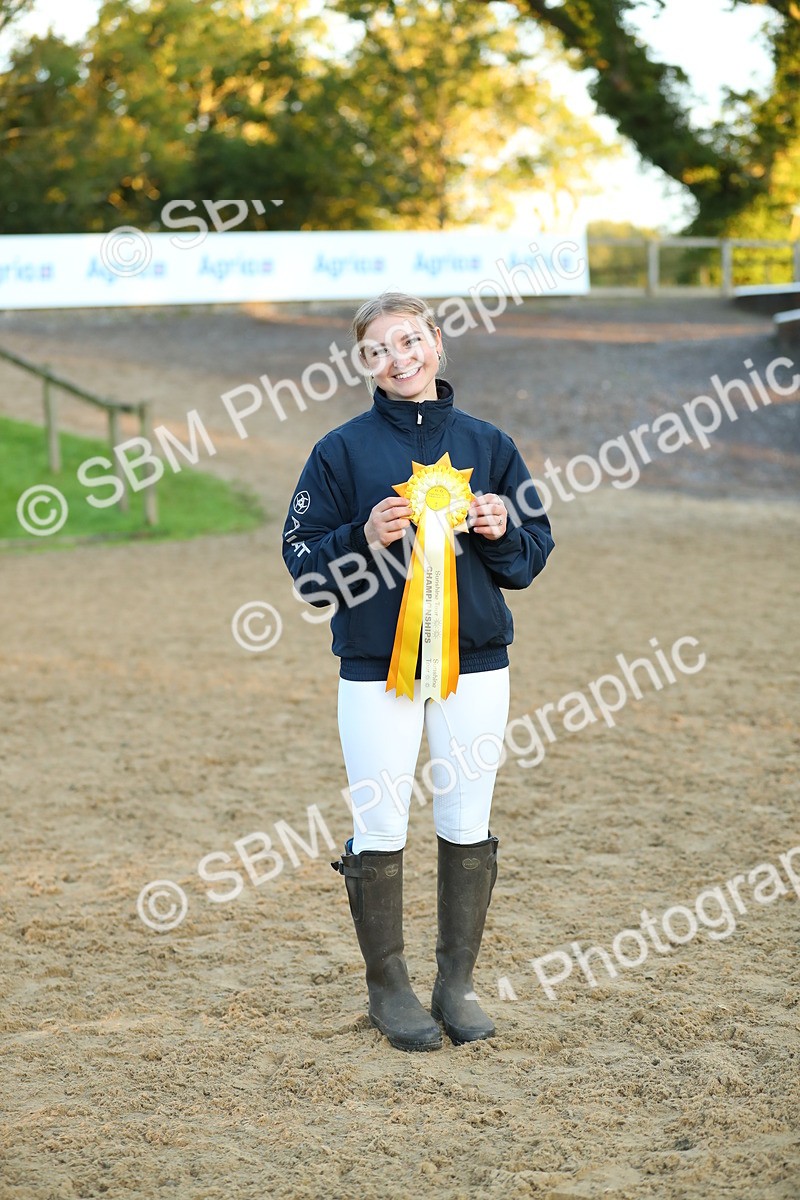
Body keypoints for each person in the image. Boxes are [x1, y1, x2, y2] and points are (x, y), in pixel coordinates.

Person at [281, 291, 554, 1052]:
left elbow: (533, 553)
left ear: (436, 342)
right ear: (363, 363)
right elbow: (303, 563)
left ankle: (455, 983)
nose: (397, 360)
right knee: (379, 823)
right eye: (377, 350)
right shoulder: (339, 450)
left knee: (467, 820)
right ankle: (389, 989)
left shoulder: (489, 442)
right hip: (376, 669)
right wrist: (361, 536)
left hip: (478, 665)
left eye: (409, 342)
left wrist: (503, 529)